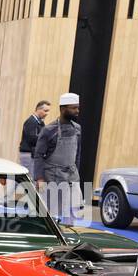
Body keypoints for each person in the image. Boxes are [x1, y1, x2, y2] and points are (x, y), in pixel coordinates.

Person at [34, 92, 82, 221]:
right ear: (63, 109)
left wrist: (76, 171)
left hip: (72, 176)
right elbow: (38, 155)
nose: (77, 111)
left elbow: (77, 154)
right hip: (53, 176)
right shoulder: (49, 130)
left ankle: (68, 237)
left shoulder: (77, 129)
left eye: (78, 107)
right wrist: (39, 179)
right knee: (48, 213)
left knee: (73, 210)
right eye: (73, 108)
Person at [19, 99, 50, 178]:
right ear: (38, 109)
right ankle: (10, 190)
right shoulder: (31, 122)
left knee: (27, 179)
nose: (47, 113)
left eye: (48, 111)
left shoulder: (40, 122)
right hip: (28, 154)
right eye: (45, 111)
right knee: (26, 178)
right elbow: (32, 138)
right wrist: (46, 140)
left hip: (32, 154)